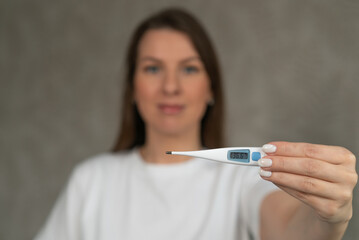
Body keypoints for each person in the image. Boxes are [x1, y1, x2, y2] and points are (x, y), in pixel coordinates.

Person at [35, 8, 357, 240]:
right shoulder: (91, 181)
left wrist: (327, 219)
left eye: (189, 69)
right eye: (152, 68)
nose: (171, 86)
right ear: (132, 88)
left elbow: (290, 230)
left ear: (211, 88)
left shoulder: (242, 181)